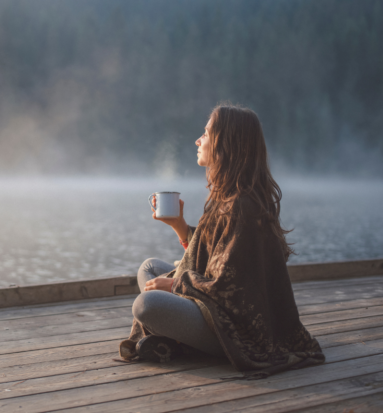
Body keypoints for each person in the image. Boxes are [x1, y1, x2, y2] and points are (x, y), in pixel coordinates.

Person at [118, 103, 325, 379]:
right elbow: (213, 256)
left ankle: (180, 341)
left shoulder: (243, 205)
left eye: (205, 133)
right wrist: (179, 226)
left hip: (237, 330)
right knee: (150, 268)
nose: (198, 140)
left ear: (226, 143)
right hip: (214, 307)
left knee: (147, 305)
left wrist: (176, 284)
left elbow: (229, 287)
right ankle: (173, 338)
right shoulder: (227, 196)